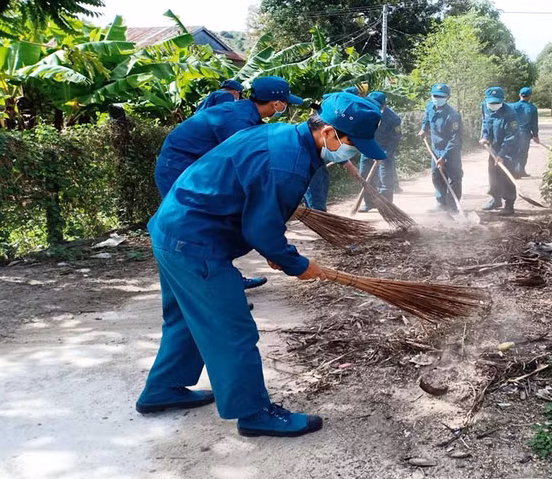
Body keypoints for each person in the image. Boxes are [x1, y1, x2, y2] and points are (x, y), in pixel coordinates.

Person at [135, 92, 386, 438]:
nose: (352, 151)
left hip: (173, 229)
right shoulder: (286, 164)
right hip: (194, 242)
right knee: (232, 329)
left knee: (184, 316)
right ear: (328, 131)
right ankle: (253, 412)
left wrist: (273, 248)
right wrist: (295, 263)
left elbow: (254, 205)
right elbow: (260, 229)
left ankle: (164, 388)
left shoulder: (283, 135)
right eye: (352, 143)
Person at [154, 76, 302, 293]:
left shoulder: (247, 116)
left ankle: (227, 281)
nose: (285, 106)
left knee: (214, 228)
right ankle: (210, 291)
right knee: (195, 230)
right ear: (276, 103)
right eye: (285, 103)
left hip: (194, 168)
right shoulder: (236, 122)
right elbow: (243, 166)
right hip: (177, 169)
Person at [418, 83, 462, 212]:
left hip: (450, 151)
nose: (437, 98)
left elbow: (455, 140)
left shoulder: (453, 115)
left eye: (440, 96)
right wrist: (424, 129)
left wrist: (443, 157)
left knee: (453, 179)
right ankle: (441, 204)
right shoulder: (430, 106)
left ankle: (453, 207)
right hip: (435, 149)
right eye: (435, 95)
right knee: (437, 177)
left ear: (448, 97)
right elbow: (426, 119)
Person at [479, 87, 520, 216]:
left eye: (497, 103)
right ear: (486, 101)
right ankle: (495, 200)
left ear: (502, 101)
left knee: (506, 176)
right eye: (491, 103)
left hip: (509, 150)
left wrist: (502, 155)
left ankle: (509, 204)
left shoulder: (510, 113)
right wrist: (485, 136)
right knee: (493, 174)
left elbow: (511, 137)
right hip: (493, 148)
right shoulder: (485, 107)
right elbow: (485, 123)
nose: (494, 105)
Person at [359, 91, 402, 211]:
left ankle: (386, 206)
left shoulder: (393, 119)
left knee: (385, 179)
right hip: (368, 147)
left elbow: (395, 139)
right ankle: (369, 202)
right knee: (364, 175)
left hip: (384, 150)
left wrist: (383, 155)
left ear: (383, 105)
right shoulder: (365, 113)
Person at [510, 87, 540, 177]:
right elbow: (534, 123)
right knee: (523, 152)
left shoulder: (512, 106)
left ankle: (514, 172)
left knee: (513, 151)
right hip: (525, 133)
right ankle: (520, 171)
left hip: (512, 132)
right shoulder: (532, 108)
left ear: (520, 95)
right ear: (530, 96)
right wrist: (535, 135)